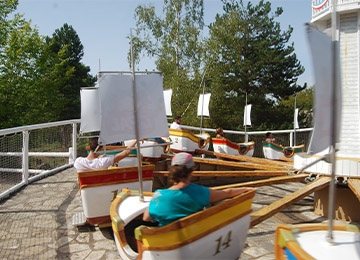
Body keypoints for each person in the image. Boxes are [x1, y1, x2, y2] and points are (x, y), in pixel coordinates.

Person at [143, 152, 251, 226]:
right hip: (190, 240)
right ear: (191, 172)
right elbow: (227, 193)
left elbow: (146, 218)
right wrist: (245, 188)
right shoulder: (200, 192)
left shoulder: (159, 195)